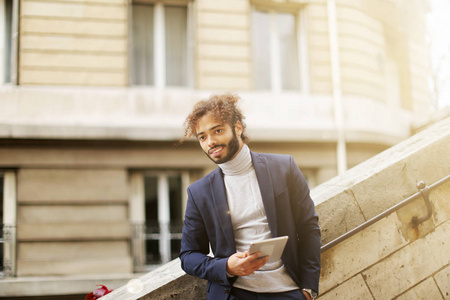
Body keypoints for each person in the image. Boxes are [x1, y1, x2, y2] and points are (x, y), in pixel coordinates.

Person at [179, 93, 321, 300]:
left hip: (288, 291)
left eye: (217, 131)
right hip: (234, 294)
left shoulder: (284, 168)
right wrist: (226, 266)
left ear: (237, 128)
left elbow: (309, 227)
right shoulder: (199, 192)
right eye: (202, 137)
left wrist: (308, 289)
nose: (210, 142)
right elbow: (188, 256)